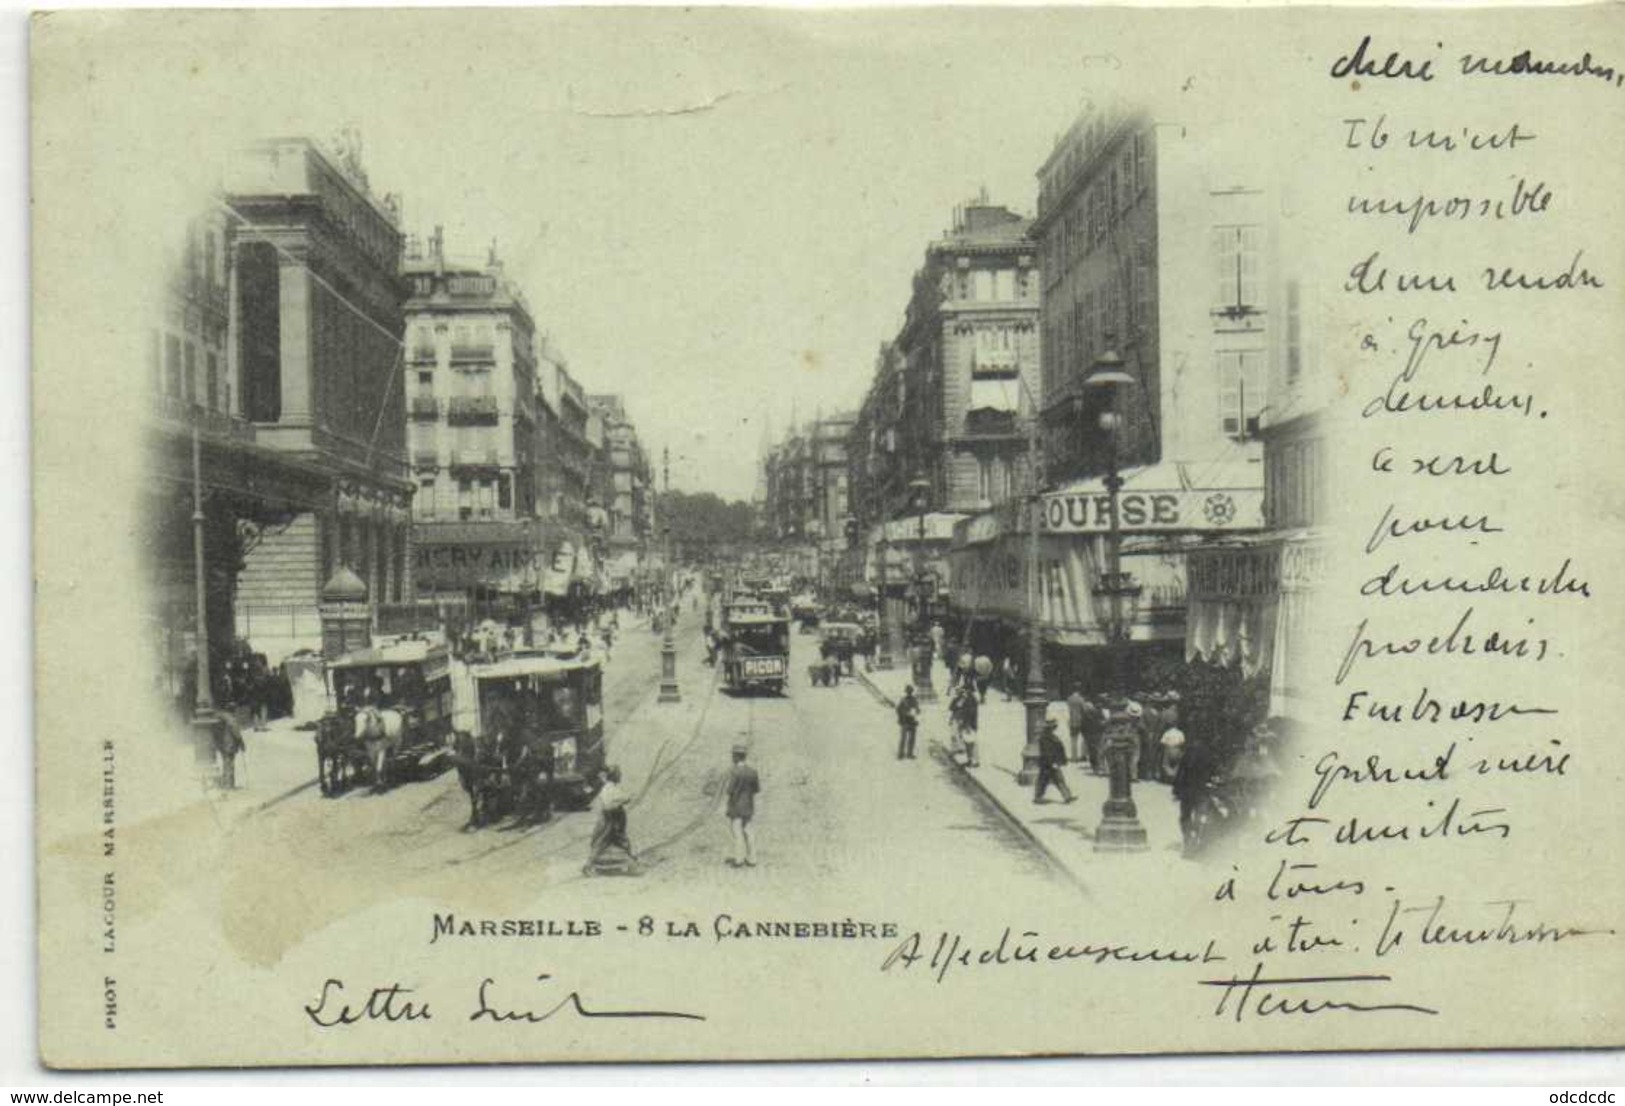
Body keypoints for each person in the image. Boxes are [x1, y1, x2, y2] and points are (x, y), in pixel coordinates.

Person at [585, 766, 636, 875]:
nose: (620, 776)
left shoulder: (611, 787)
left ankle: (628, 861)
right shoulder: (609, 788)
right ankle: (588, 866)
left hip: (614, 818)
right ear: (614, 776)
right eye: (619, 775)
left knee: (621, 839)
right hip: (610, 819)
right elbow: (609, 804)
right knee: (601, 841)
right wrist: (623, 800)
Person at [725, 744, 760, 868]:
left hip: (736, 806)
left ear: (735, 756)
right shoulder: (753, 772)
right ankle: (752, 859)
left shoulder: (734, 772)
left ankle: (738, 859)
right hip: (749, 806)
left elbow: (729, 790)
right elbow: (756, 789)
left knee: (737, 833)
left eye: (733, 755)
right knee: (749, 832)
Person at [1033, 718, 1076, 804]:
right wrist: (1053, 763)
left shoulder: (1050, 737)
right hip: (1049, 764)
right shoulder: (1045, 738)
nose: (1054, 728)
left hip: (1050, 763)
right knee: (1045, 781)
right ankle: (1038, 797)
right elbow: (1047, 752)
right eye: (1053, 727)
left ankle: (1067, 796)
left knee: (1055, 780)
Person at [214, 709, 246, 790]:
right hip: (229, 744)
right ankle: (229, 785)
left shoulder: (221, 717)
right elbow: (236, 732)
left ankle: (225, 783)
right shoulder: (231, 719)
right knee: (230, 764)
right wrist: (241, 742)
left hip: (221, 744)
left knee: (225, 763)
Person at [954, 683, 980, 768]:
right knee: (967, 743)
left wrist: (968, 725)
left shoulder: (971, 699)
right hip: (967, 723)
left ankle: (974, 761)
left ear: (969, 690)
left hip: (970, 724)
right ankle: (970, 760)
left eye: (965, 690)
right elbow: (958, 705)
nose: (963, 691)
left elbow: (970, 713)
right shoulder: (967, 698)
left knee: (971, 743)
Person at [895, 685, 921, 760]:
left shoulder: (914, 700)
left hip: (911, 721)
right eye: (908, 691)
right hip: (905, 721)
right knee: (904, 738)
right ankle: (901, 753)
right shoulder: (903, 700)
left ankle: (908, 753)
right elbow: (898, 710)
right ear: (906, 692)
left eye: (910, 691)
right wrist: (905, 713)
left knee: (911, 739)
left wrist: (916, 711)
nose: (909, 693)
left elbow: (918, 710)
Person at [1066, 684, 1089, 764]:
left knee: (1073, 740)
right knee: (1084, 739)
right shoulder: (1081, 699)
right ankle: (1083, 755)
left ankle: (1074, 757)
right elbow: (1085, 710)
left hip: (1072, 720)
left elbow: (1069, 709)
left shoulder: (1069, 699)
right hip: (1081, 721)